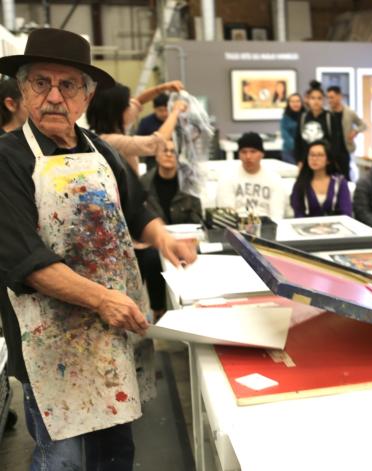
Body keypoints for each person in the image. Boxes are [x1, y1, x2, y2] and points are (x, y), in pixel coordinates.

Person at [0, 28, 196, 470]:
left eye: (67, 85)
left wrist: (164, 237)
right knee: (63, 459)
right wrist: (103, 298)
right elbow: (24, 261)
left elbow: (138, 208)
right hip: (49, 343)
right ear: (24, 91)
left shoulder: (100, 150)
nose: (54, 96)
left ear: (85, 97)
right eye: (40, 83)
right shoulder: (8, 159)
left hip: (110, 337)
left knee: (115, 454)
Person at [138, 138, 203, 319]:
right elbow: (139, 217)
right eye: (164, 150)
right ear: (156, 155)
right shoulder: (143, 183)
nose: (168, 154)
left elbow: (197, 217)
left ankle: (194, 307)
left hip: (184, 236)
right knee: (151, 258)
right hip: (154, 240)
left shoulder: (188, 183)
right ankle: (159, 311)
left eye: (172, 151)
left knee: (195, 254)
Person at [86, 80, 184, 174]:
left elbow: (139, 101)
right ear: (117, 112)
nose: (131, 107)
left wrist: (162, 88)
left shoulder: (111, 127)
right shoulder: (110, 141)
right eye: (127, 105)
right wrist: (176, 111)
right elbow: (155, 143)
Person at [216, 132, 285, 220]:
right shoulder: (227, 178)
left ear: (262, 154)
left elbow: (277, 214)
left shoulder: (274, 179)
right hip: (236, 228)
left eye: (253, 152)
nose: (248, 156)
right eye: (244, 152)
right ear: (239, 155)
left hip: (267, 227)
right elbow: (226, 214)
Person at [290, 139, 352, 217]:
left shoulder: (340, 182)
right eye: (312, 155)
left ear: (328, 160)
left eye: (320, 155)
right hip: (307, 226)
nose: (315, 159)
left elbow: (346, 212)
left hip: (335, 226)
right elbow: (298, 213)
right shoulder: (301, 183)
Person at [326, 85, 367, 180]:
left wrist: (355, 131)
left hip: (344, 150)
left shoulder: (349, 112)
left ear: (339, 96)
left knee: (345, 177)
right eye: (328, 97)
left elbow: (363, 125)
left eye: (332, 97)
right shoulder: (327, 113)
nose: (330, 100)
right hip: (330, 151)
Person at [294, 80, 333, 165]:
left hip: (325, 162)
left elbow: (336, 143)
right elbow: (298, 141)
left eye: (319, 98)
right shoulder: (303, 117)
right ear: (308, 99)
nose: (316, 101)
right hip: (306, 161)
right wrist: (299, 161)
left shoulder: (330, 117)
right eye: (313, 98)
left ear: (324, 100)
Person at [136, 93, 170, 170]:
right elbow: (138, 144)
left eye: (166, 110)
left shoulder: (175, 120)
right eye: (161, 110)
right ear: (154, 109)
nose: (164, 113)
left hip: (173, 158)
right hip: (152, 161)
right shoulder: (145, 122)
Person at [280, 93, 304, 165]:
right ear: (289, 103)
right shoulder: (285, 118)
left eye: (297, 101)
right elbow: (285, 136)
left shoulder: (306, 116)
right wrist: (298, 146)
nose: (295, 104)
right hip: (290, 152)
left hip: (305, 151)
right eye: (292, 101)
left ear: (301, 103)